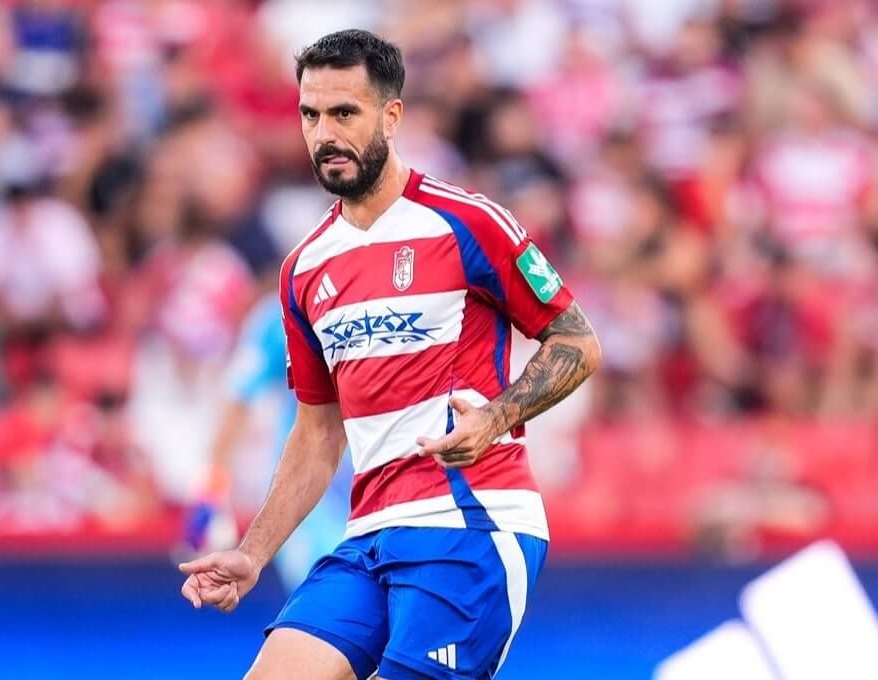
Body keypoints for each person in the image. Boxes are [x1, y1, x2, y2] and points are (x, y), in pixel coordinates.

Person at [179, 30, 601, 680]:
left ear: (391, 116)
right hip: (367, 537)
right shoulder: (303, 269)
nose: (324, 133)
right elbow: (318, 432)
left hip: (470, 523)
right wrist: (254, 551)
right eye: (310, 115)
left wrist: (494, 417)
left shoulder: (468, 223)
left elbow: (576, 341)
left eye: (344, 113)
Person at [182, 282, 353, 593]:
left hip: (391, 489)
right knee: (327, 607)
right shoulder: (288, 308)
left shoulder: (425, 291)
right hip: (313, 503)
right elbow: (237, 400)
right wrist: (211, 491)